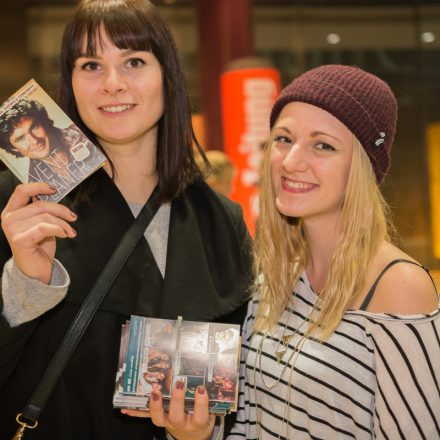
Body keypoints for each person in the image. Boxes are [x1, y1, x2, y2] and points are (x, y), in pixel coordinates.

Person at [137, 65, 440, 439]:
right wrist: (194, 433)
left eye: (323, 145)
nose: (292, 161)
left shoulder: (397, 288)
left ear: (362, 166)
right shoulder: (270, 276)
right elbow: (246, 423)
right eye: (283, 139)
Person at [0, 1, 253, 439]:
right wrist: (23, 284)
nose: (112, 84)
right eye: (91, 65)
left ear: (167, 76)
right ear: (72, 83)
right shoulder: (21, 205)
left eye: (134, 61)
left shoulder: (220, 221)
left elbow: (239, 398)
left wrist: (198, 434)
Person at [0, 98, 100, 199]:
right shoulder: (34, 183)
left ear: (44, 123)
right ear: (13, 148)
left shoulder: (84, 131)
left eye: (34, 127)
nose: (34, 141)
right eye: (21, 139)